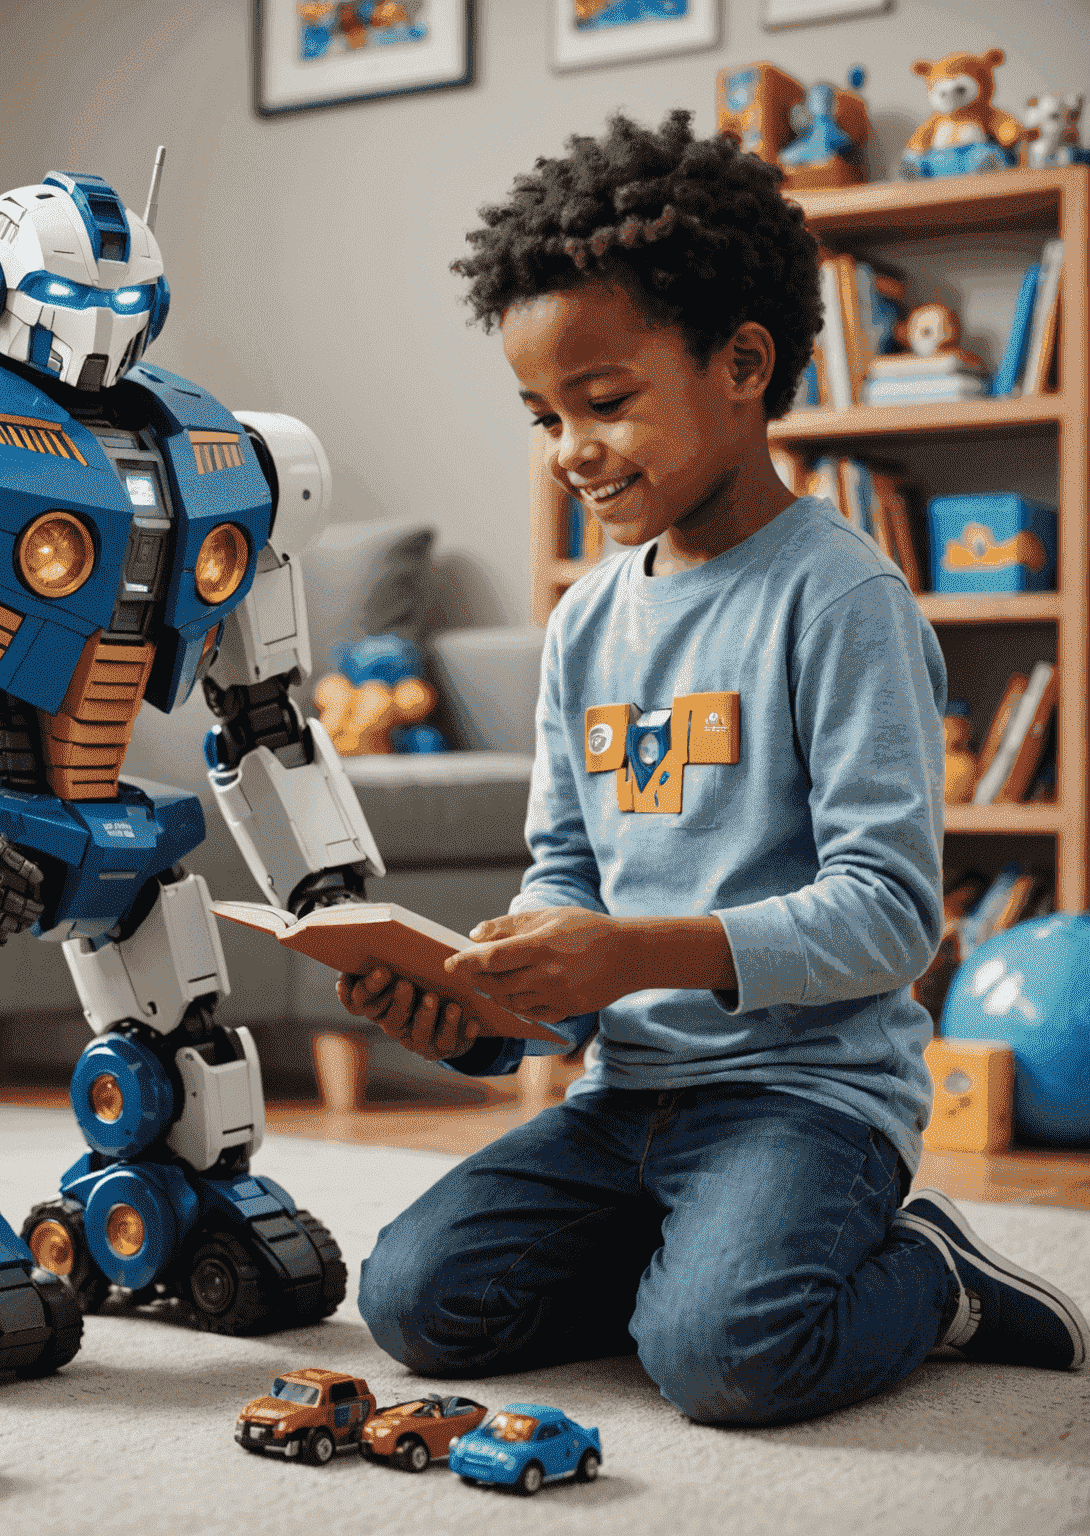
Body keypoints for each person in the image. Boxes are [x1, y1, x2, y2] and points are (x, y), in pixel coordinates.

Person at [339, 110, 1086, 1426]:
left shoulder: (840, 600)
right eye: (542, 415)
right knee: (414, 1302)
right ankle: (694, 1265)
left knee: (727, 1361)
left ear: (743, 363)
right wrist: (488, 1010)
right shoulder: (585, 620)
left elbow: (893, 914)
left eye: (605, 401)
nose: (569, 449)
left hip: (805, 1106)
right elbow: (566, 878)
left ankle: (935, 1272)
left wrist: (632, 957)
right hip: (627, 1097)